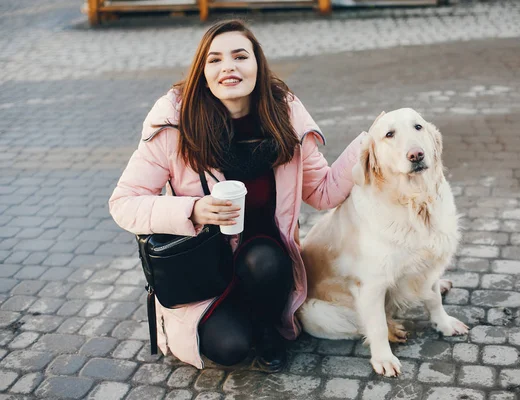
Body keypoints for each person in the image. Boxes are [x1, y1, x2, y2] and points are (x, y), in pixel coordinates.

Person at [109, 19, 366, 373]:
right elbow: (123, 203)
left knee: (264, 259)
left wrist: (368, 144)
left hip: (266, 264)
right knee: (229, 348)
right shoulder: (175, 123)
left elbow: (322, 192)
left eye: (240, 56)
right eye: (214, 60)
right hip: (202, 270)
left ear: (257, 66)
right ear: (202, 72)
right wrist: (194, 209)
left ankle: (267, 325)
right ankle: (236, 318)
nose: (228, 66)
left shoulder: (283, 116)